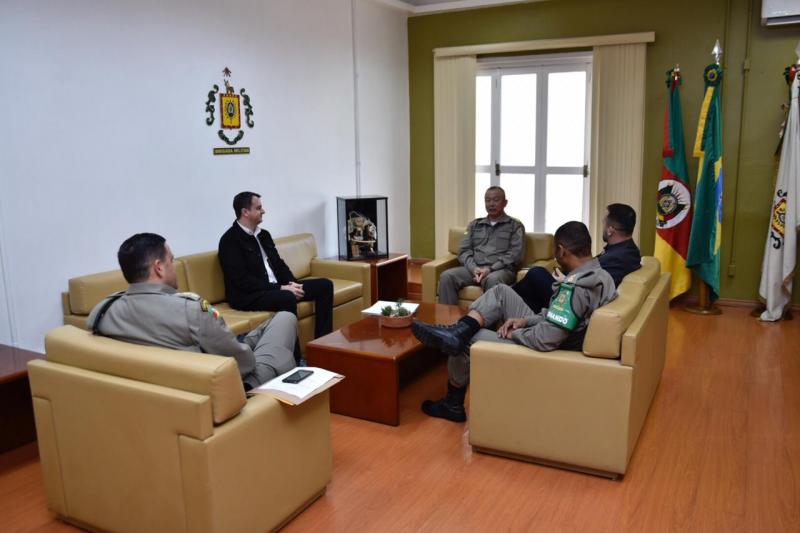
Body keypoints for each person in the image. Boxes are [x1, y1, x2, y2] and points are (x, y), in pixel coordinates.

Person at [412, 221, 616, 422]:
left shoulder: (575, 289)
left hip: (551, 348)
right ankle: (458, 330)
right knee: (501, 291)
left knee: (469, 338)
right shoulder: (601, 275)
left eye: (555, 251)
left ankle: (452, 402)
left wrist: (515, 333)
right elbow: (557, 318)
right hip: (557, 335)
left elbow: (546, 339)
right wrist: (525, 321)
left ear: (562, 251)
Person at [88, 233, 298, 390]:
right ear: (159, 267)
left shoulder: (103, 311)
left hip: (173, 388)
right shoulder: (191, 308)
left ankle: (246, 342)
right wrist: (246, 352)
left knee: (262, 329)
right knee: (285, 318)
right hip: (232, 385)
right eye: (171, 260)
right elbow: (244, 365)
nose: (174, 265)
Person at [218, 191, 334, 339]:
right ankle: (294, 358)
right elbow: (243, 280)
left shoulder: (264, 234)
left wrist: (292, 283)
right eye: (259, 208)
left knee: (325, 286)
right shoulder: (229, 241)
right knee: (287, 297)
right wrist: (282, 288)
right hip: (249, 295)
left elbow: (278, 264)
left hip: (276, 288)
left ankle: (322, 346)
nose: (263, 211)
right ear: (245, 212)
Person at [513, 203, 641, 313]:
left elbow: (596, 285)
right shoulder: (625, 250)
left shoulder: (620, 258)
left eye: (603, 222)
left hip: (578, 301)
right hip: (577, 292)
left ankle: (505, 300)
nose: (602, 225)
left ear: (610, 230)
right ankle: (510, 304)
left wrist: (567, 280)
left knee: (536, 273)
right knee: (529, 295)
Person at [437, 186, 525, 305]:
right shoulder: (475, 225)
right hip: (474, 269)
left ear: (505, 203)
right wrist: (474, 269)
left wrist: (490, 269)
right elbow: (464, 251)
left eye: (496, 200)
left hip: (500, 270)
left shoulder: (515, 225)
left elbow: (515, 254)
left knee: (492, 280)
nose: (491, 204)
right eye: (487, 200)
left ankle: (487, 322)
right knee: (447, 276)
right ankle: (448, 320)